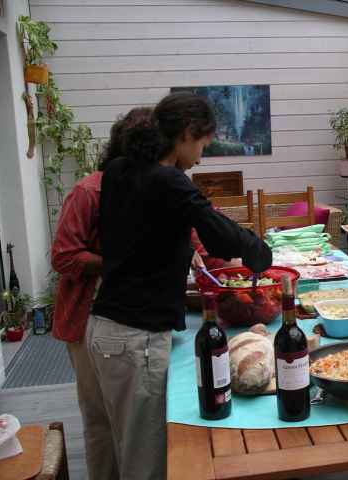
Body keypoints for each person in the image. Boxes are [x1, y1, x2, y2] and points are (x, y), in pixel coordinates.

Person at [87, 91, 272, 480]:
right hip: (137, 338)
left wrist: (179, 247)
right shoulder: (167, 180)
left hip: (105, 331)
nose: (202, 156)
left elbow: (141, 230)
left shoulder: (120, 169)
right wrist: (261, 253)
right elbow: (221, 235)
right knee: (146, 463)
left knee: (126, 445)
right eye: (203, 143)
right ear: (187, 133)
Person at [51, 106, 153, 480]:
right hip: (88, 318)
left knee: (140, 418)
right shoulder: (88, 191)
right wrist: (118, 261)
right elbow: (63, 256)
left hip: (142, 319)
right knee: (100, 419)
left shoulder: (154, 188)